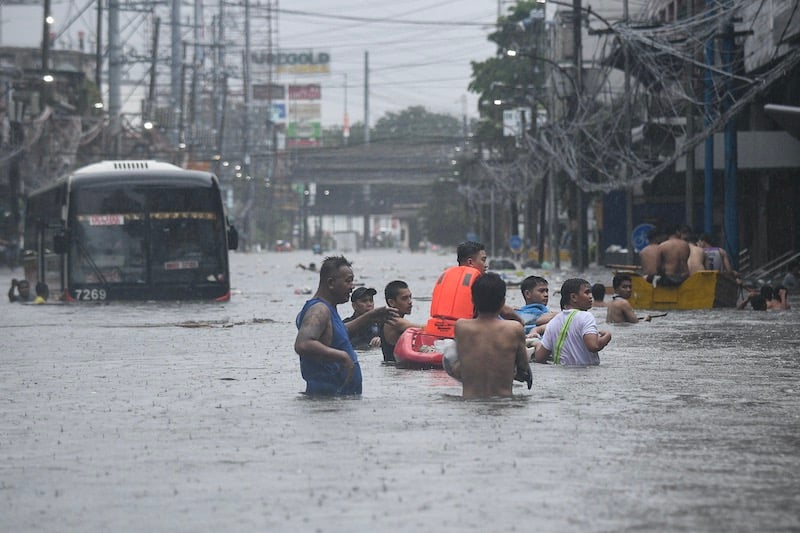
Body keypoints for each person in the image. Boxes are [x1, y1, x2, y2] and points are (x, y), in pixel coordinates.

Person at [294, 256, 397, 395]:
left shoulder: (328, 308)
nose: (352, 286)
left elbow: (339, 333)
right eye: (348, 281)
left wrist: (369, 316)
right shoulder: (319, 309)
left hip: (339, 400)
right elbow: (303, 344)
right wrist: (342, 356)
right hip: (327, 401)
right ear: (331, 283)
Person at [452, 272, 532, 398]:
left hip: (469, 405)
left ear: (472, 300)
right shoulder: (514, 329)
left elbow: (456, 365)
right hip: (503, 404)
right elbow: (523, 369)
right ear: (503, 302)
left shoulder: (461, 327)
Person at [426, 241, 521, 337]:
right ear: (470, 262)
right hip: (463, 335)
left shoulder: (445, 275)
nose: (486, 265)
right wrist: (521, 322)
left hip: (434, 331)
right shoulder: (479, 281)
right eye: (483, 260)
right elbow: (504, 311)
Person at [534, 278, 612, 366]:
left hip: (560, 376)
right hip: (587, 375)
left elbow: (540, 358)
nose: (591, 296)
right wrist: (607, 336)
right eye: (587, 292)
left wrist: (537, 345)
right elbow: (594, 346)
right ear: (573, 297)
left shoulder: (553, 322)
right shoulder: (586, 316)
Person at [380, 280, 422, 362]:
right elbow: (425, 329)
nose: (410, 302)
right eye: (404, 298)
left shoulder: (389, 319)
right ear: (391, 302)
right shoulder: (395, 322)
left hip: (392, 369)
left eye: (410, 297)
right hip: (396, 369)